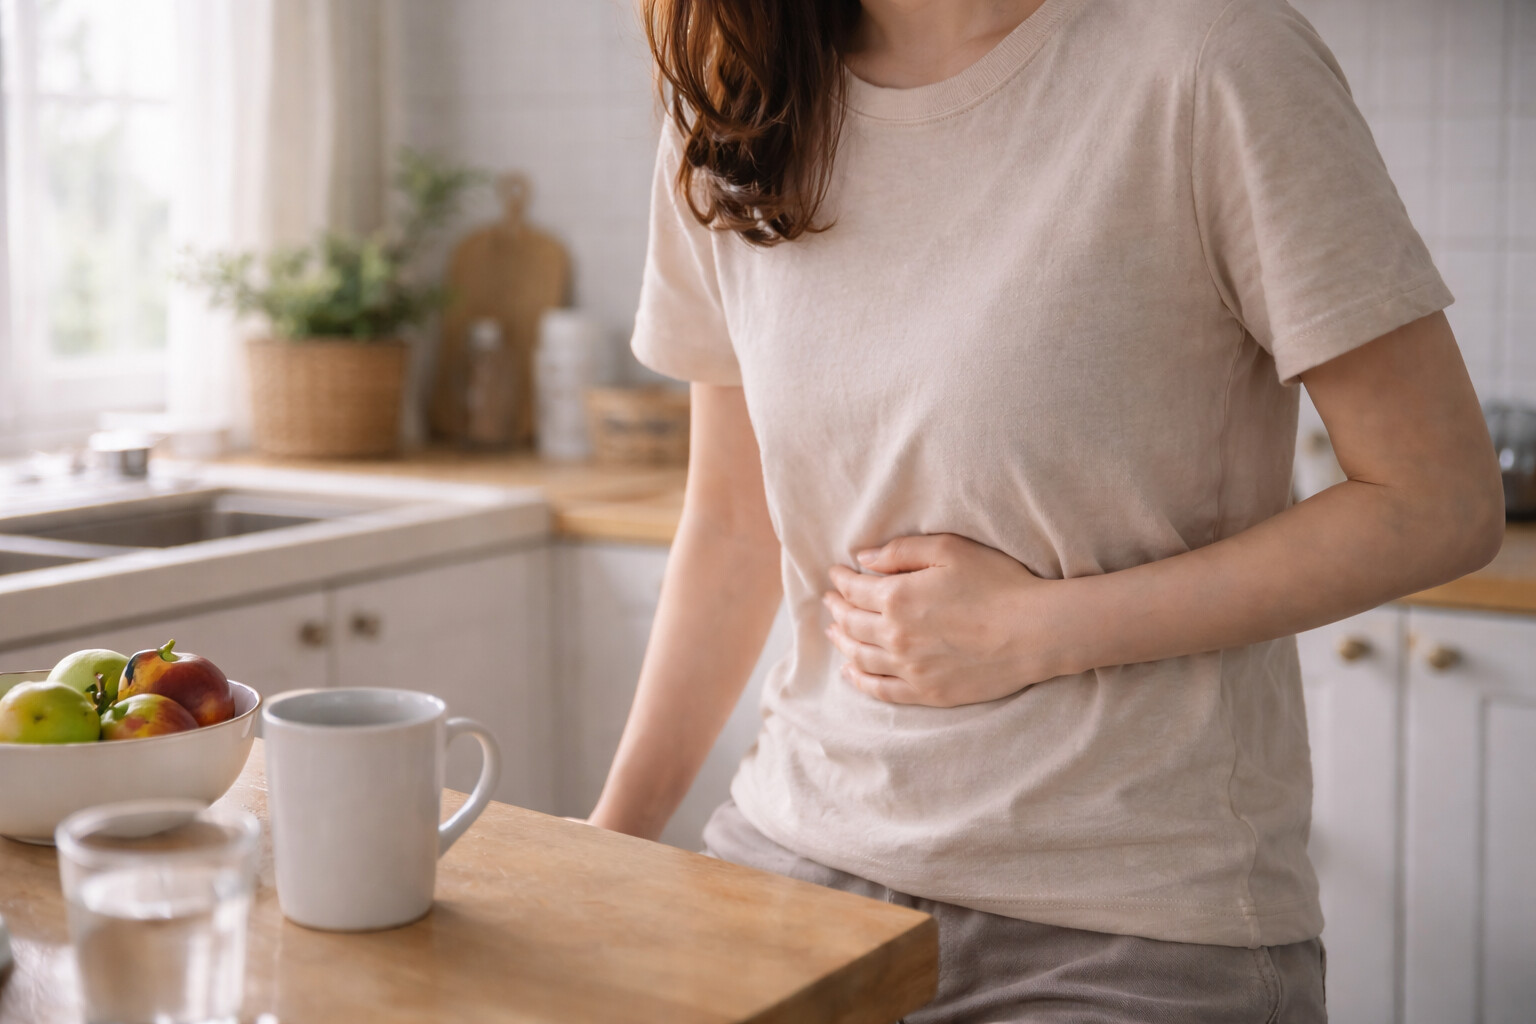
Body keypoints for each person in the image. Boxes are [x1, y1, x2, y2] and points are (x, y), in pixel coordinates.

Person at [588, 0, 1505, 1019]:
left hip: (1129, 927)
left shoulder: (1212, 62)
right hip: (791, 866)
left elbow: (1441, 499)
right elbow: (730, 524)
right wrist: (605, 847)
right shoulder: (740, 101)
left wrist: (1032, 630)